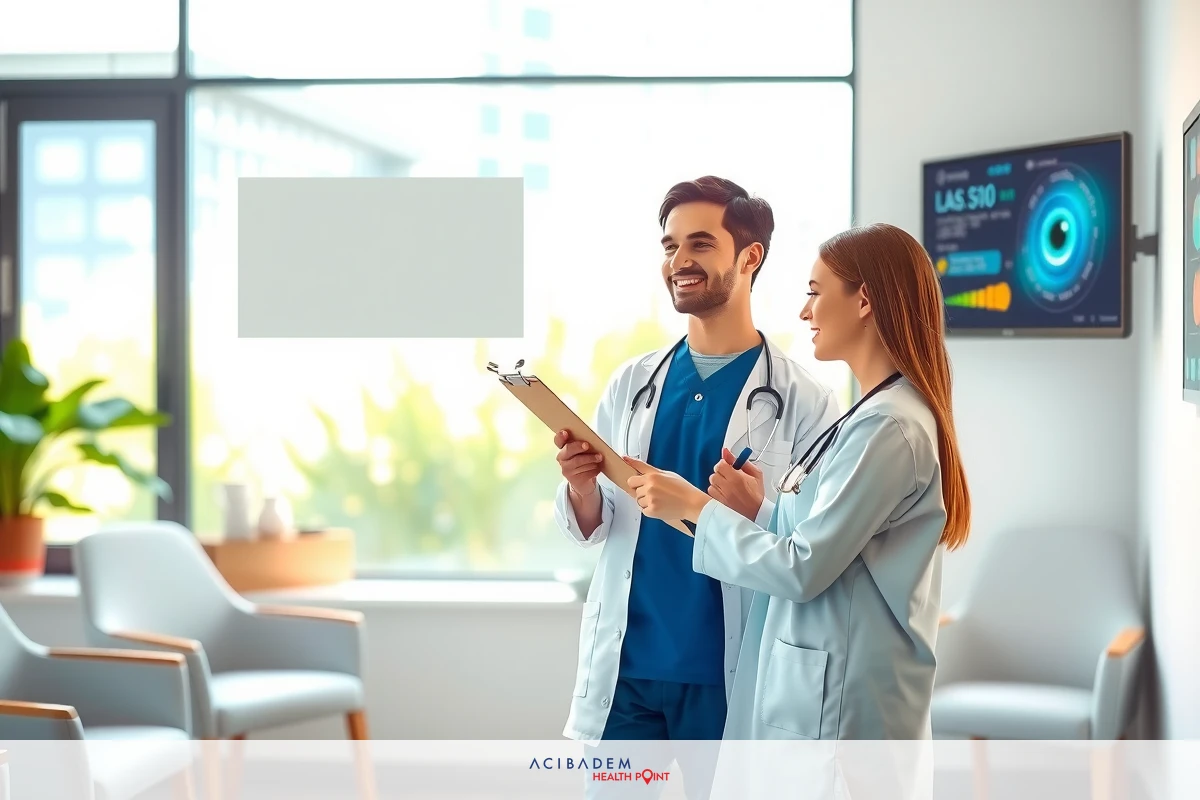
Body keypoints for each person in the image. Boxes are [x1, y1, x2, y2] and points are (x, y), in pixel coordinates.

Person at [625, 221, 972, 741]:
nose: (804, 311)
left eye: (815, 293)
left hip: (845, 703)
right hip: (823, 689)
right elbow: (835, 541)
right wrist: (761, 511)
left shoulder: (889, 427)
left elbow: (804, 567)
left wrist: (697, 509)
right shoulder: (873, 413)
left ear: (864, 301)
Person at [551, 177, 842, 791]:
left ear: (750, 257)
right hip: (628, 672)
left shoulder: (805, 401)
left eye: (700, 244)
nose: (679, 261)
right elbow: (596, 522)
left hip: (728, 674)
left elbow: (812, 547)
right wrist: (581, 487)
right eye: (669, 246)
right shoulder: (634, 383)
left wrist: (748, 507)